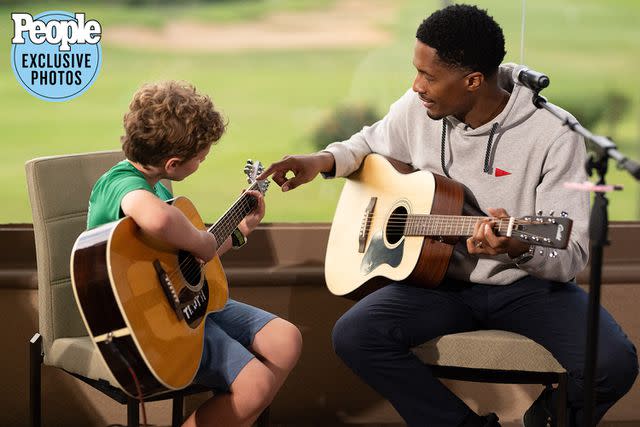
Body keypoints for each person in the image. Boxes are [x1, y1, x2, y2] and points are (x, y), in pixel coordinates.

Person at [258, 4, 638, 427]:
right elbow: (368, 143)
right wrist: (323, 161)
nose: (416, 86)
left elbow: (572, 254)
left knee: (614, 364)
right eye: (416, 71)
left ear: (473, 81)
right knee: (355, 335)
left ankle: (546, 420)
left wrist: (517, 247)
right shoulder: (418, 107)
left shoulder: (553, 135)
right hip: (437, 285)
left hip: (525, 287)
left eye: (429, 76)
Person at [87, 81, 302, 427]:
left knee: (286, 340)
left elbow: (189, 261)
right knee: (256, 385)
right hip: (152, 325)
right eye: (201, 157)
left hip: (186, 304)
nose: (203, 160)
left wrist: (239, 231)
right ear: (172, 164)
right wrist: (200, 241)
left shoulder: (155, 183)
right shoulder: (120, 184)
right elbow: (157, 217)